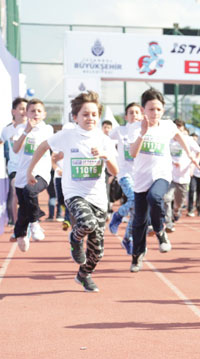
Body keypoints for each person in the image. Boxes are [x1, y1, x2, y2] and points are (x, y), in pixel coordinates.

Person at [26, 91, 118, 292]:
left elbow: (114, 171)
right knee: (87, 223)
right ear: (75, 117)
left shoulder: (104, 140)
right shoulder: (67, 136)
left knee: (98, 252)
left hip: (98, 199)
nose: (90, 118)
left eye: (94, 114)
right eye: (85, 114)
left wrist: (105, 156)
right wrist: (29, 170)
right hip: (74, 193)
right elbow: (43, 146)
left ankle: (83, 275)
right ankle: (74, 239)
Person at [128, 88, 200, 273]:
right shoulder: (135, 127)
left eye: (159, 109)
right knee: (139, 222)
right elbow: (133, 153)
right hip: (141, 179)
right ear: (143, 110)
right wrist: (143, 134)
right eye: (151, 109)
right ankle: (137, 256)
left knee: (156, 197)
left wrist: (190, 155)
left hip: (162, 174)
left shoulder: (168, 126)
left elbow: (179, 137)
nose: (155, 113)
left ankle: (160, 231)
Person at [11, 99, 53, 252]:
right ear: (26, 113)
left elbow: (54, 148)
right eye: (32, 111)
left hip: (41, 173)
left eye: (39, 111)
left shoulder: (47, 129)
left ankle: (35, 222)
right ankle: (21, 234)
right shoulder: (20, 128)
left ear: (44, 114)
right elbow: (15, 149)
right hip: (22, 174)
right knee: (23, 207)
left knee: (31, 191)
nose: (36, 114)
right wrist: (26, 130)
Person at [107, 102, 143, 255]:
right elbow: (104, 137)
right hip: (124, 174)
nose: (134, 115)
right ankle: (118, 215)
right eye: (131, 112)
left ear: (142, 115)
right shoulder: (120, 130)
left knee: (136, 210)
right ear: (125, 116)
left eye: (136, 112)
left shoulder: (145, 131)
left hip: (141, 176)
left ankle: (127, 239)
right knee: (134, 199)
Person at [0, 97, 28, 228]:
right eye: (21, 108)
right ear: (14, 111)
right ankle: (18, 225)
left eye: (26, 109)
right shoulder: (7, 130)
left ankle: (31, 221)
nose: (24, 111)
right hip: (14, 168)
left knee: (28, 195)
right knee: (15, 190)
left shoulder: (33, 128)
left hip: (31, 169)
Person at [164, 119, 200, 232]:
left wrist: (193, 166)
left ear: (183, 130)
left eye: (179, 129)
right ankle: (168, 222)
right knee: (166, 198)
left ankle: (176, 211)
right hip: (168, 175)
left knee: (178, 203)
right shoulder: (167, 140)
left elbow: (199, 152)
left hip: (183, 176)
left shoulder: (188, 140)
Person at [187, 132, 200, 217]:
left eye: (196, 139)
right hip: (191, 173)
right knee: (192, 190)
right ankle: (190, 208)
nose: (194, 140)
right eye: (193, 139)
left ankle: (199, 208)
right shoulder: (188, 149)